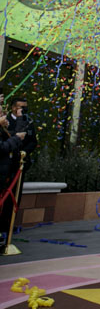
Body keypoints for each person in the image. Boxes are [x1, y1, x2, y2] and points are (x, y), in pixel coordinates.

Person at [0, 101, 27, 240]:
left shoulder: (3, 130)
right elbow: (3, 148)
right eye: (1, 114)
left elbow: (16, 135)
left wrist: (20, 119)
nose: (4, 116)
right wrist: (16, 138)